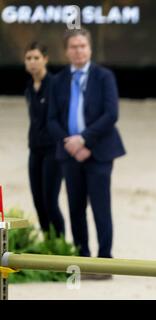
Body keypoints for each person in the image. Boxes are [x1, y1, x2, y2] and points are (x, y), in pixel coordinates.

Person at [48, 28, 126, 270]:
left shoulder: (104, 77)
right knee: (75, 207)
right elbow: (51, 119)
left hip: (99, 153)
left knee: (101, 207)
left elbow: (111, 114)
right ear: (66, 51)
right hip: (70, 155)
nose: (78, 50)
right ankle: (81, 258)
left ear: (90, 48)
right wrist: (71, 144)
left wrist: (84, 141)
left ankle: (104, 261)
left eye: (82, 45)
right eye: (73, 46)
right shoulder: (57, 80)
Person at [24, 42, 65, 236]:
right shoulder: (29, 89)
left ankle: (60, 245)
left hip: (53, 150)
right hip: (35, 150)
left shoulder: (56, 85)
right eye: (29, 58)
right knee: (38, 202)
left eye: (36, 58)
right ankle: (49, 243)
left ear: (45, 60)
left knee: (50, 202)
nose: (32, 62)